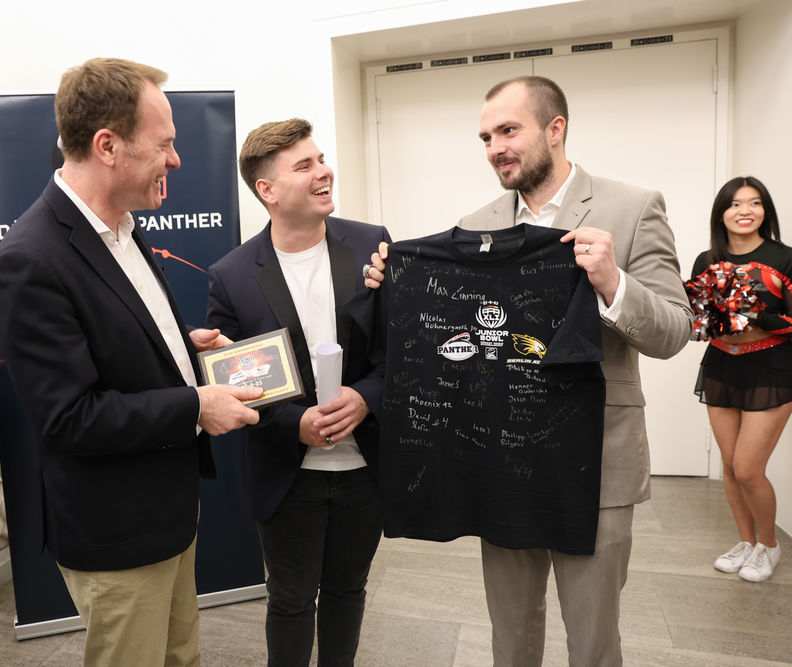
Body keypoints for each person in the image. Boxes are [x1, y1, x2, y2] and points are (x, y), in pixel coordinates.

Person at [366, 75, 692, 666]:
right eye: (486, 137)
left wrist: (612, 283)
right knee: (510, 634)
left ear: (555, 128)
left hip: (596, 461)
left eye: (508, 131)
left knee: (593, 639)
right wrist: (395, 285)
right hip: (503, 459)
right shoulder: (476, 225)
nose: (495, 148)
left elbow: (674, 331)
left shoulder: (633, 207)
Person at [0, 58, 262, 666]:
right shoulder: (31, 258)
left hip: (169, 511)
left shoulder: (124, 227)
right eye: (164, 144)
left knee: (180, 657)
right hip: (117, 534)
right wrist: (194, 406)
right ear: (108, 146)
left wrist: (180, 347)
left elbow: (109, 338)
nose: (177, 160)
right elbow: (69, 418)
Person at [206, 119, 389, 666]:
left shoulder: (373, 245)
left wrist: (365, 397)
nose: (323, 172)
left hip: (365, 467)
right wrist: (296, 423)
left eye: (321, 159)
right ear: (267, 189)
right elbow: (231, 381)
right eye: (304, 165)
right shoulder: (231, 275)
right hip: (286, 473)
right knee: (290, 601)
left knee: (348, 592)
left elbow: (401, 349)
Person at [691, 176, 791, 582]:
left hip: (773, 369)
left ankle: (769, 545)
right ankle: (747, 543)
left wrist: (750, 313)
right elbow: (698, 318)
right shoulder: (705, 259)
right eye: (735, 204)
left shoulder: (784, 258)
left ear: (765, 210)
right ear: (722, 213)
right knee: (731, 467)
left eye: (754, 203)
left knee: (749, 468)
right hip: (722, 366)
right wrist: (705, 318)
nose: (744, 211)